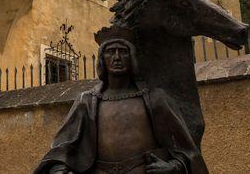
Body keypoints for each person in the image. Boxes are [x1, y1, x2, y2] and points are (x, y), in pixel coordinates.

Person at [34, 25, 206, 174]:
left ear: (132, 58)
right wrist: (59, 170)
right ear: (102, 59)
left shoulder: (155, 99)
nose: (117, 57)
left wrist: (174, 167)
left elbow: (187, 150)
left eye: (123, 52)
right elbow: (61, 149)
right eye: (110, 52)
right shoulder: (87, 101)